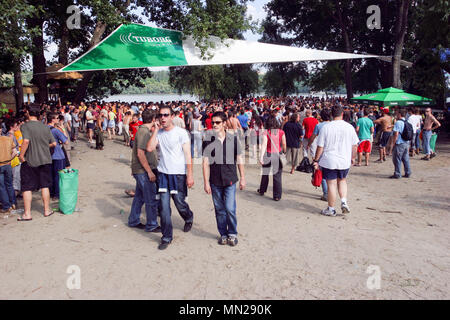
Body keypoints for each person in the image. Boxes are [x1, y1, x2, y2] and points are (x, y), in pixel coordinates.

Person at [146, 105, 194, 250]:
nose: (163, 118)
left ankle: (188, 217)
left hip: (178, 174)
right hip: (163, 174)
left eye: (166, 115)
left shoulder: (181, 133)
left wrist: (189, 175)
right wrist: (155, 131)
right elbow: (149, 148)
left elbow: (188, 155)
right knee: (164, 208)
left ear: (172, 116)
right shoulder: (159, 133)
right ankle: (166, 237)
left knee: (180, 203)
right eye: (160, 115)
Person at [202, 111, 246, 246]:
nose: (214, 125)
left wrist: (243, 177)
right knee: (219, 210)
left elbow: (239, 158)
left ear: (224, 123)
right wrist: (206, 182)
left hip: (230, 179)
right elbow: (205, 162)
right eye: (213, 122)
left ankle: (232, 233)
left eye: (217, 122)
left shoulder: (233, 139)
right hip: (215, 181)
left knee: (229, 208)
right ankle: (223, 234)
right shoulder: (208, 140)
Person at [312, 105, 359, 216]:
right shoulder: (349, 127)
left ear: (332, 115)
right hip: (344, 159)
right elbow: (355, 145)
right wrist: (353, 157)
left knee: (331, 184)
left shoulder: (326, 127)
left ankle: (331, 209)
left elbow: (320, 146)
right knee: (342, 181)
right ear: (342, 114)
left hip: (329, 160)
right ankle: (343, 201)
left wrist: (316, 160)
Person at [18, 105, 57, 221]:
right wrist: (44, 147)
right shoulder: (45, 127)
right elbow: (54, 143)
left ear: (28, 113)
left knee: (27, 187)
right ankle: (46, 210)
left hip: (29, 160)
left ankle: (27, 214)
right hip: (45, 159)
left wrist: (21, 155)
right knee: (45, 185)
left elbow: (26, 141)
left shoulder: (25, 126)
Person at [128, 109, 161, 233]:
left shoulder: (145, 131)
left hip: (140, 169)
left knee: (139, 197)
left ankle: (133, 220)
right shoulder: (143, 132)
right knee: (150, 198)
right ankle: (152, 224)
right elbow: (140, 153)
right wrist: (149, 171)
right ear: (153, 119)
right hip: (143, 170)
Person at [257, 115, 287, 201]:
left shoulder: (266, 132)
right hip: (277, 154)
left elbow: (264, 145)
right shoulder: (281, 132)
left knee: (265, 174)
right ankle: (277, 195)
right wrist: (284, 152)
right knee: (277, 176)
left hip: (268, 154)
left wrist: (261, 156)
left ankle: (262, 190)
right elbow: (284, 143)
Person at [308, 108, 331, 201]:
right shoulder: (333, 125)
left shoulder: (319, 126)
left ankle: (326, 193)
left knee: (323, 174)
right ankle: (331, 192)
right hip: (332, 151)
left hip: (321, 152)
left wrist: (309, 144)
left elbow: (313, 137)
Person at [47, 113, 69, 200]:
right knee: (58, 176)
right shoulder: (55, 130)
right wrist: (62, 128)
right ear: (53, 119)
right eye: (56, 118)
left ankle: (51, 193)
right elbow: (66, 141)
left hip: (48, 155)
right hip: (58, 155)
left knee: (50, 175)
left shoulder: (44, 129)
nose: (57, 120)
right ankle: (57, 194)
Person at [388, 109, 412, 178]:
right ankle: (408, 172)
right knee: (406, 158)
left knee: (397, 159)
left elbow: (396, 133)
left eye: (397, 114)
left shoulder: (398, 122)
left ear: (399, 114)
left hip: (399, 143)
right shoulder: (406, 121)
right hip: (406, 142)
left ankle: (397, 173)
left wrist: (393, 143)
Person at [0, 130, 17, 214]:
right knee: (9, 184)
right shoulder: (8, 139)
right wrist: (10, 159)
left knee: (1, 187)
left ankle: (6, 206)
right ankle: (13, 203)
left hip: (0, 165)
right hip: (8, 164)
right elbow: (15, 152)